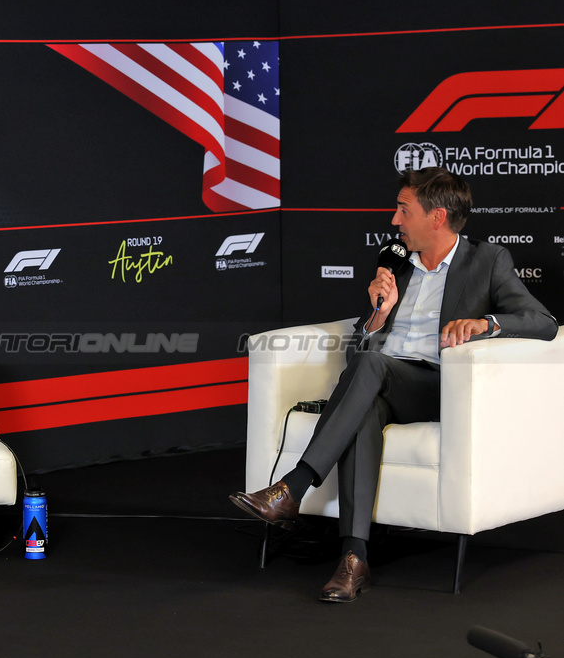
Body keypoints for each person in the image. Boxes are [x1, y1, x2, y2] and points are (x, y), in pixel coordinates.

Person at [230, 167, 558, 602]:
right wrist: (377, 317)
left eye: (404, 210)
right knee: (364, 407)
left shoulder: (486, 260)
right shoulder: (395, 262)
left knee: (372, 367)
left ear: (437, 217)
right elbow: (356, 355)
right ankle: (353, 560)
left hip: (438, 387)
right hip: (382, 382)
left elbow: (543, 322)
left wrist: (486, 324)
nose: (394, 220)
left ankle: (294, 485)